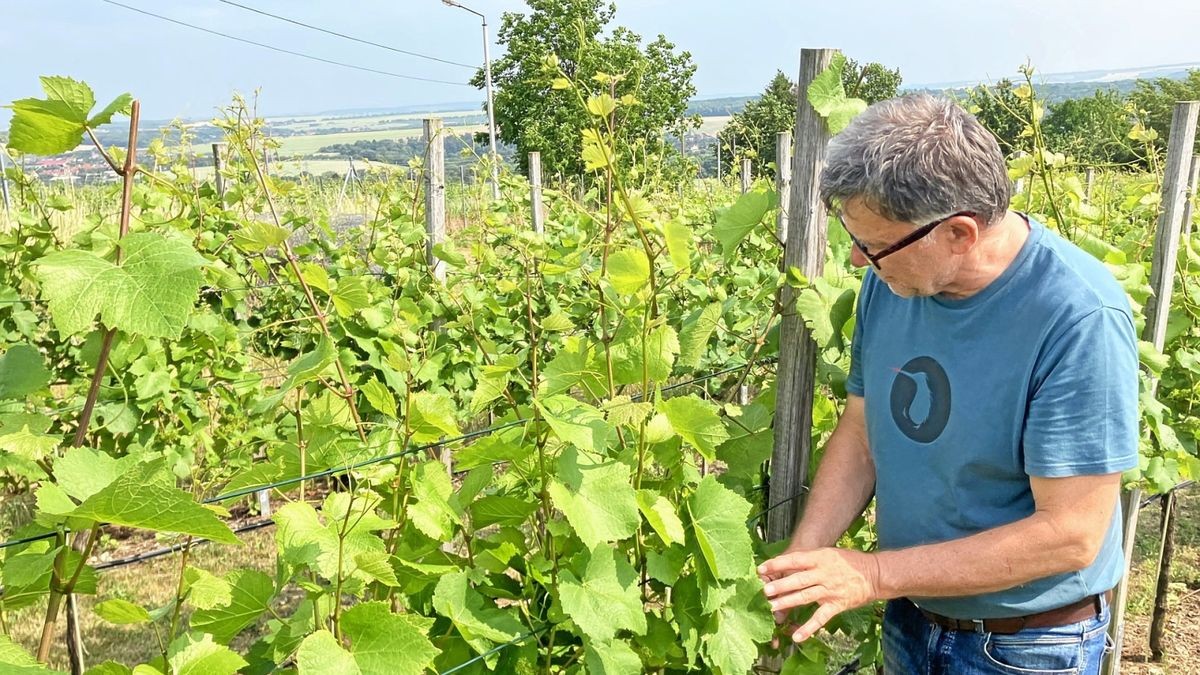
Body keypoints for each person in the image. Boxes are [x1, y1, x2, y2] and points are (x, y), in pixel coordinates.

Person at [757, 93, 1139, 674]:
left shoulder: (1077, 318)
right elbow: (862, 433)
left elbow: (1071, 534)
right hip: (911, 617)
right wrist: (808, 554)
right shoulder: (892, 285)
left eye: (876, 246)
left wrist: (874, 573)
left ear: (959, 233)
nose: (859, 262)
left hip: (1023, 647)